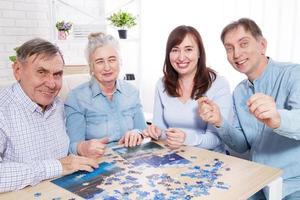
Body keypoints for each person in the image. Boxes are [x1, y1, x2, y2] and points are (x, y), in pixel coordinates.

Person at [198, 18, 300, 199]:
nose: (236, 53)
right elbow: (242, 144)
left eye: (243, 43)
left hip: (293, 185)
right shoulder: (239, 92)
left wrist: (277, 119)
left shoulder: (293, 74)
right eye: (229, 48)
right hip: (258, 182)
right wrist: (220, 121)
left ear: (262, 45)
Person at [0, 38, 98, 193]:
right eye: (41, 72)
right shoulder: (3, 110)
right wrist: (57, 166)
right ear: (17, 70)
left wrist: (80, 149)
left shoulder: (58, 105)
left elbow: (68, 154)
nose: (52, 84)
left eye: (57, 74)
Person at [142, 25, 232, 152]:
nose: (181, 57)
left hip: (210, 159)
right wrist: (156, 132)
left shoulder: (219, 84)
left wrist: (186, 139)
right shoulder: (161, 84)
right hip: (174, 156)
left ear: (199, 52)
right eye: (175, 50)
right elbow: (161, 130)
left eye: (188, 49)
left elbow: (218, 138)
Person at [65, 32, 147, 158]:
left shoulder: (132, 92)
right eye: (99, 61)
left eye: (112, 60)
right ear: (91, 67)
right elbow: (72, 146)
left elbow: (143, 130)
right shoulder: (76, 98)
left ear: (119, 62)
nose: (107, 67)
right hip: (98, 163)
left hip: (133, 159)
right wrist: (82, 147)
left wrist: (137, 133)